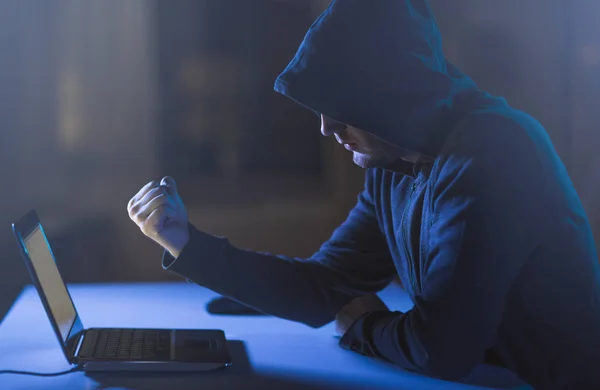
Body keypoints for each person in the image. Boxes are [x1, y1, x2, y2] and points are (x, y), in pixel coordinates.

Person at [127, 1, 600, 388]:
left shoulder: (496, 152)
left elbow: (441, 349)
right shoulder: (395, 164)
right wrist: (184, 242)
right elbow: (325, 285)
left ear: (392, 94)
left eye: (342, 107)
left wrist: (362, 324)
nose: (326, 127)